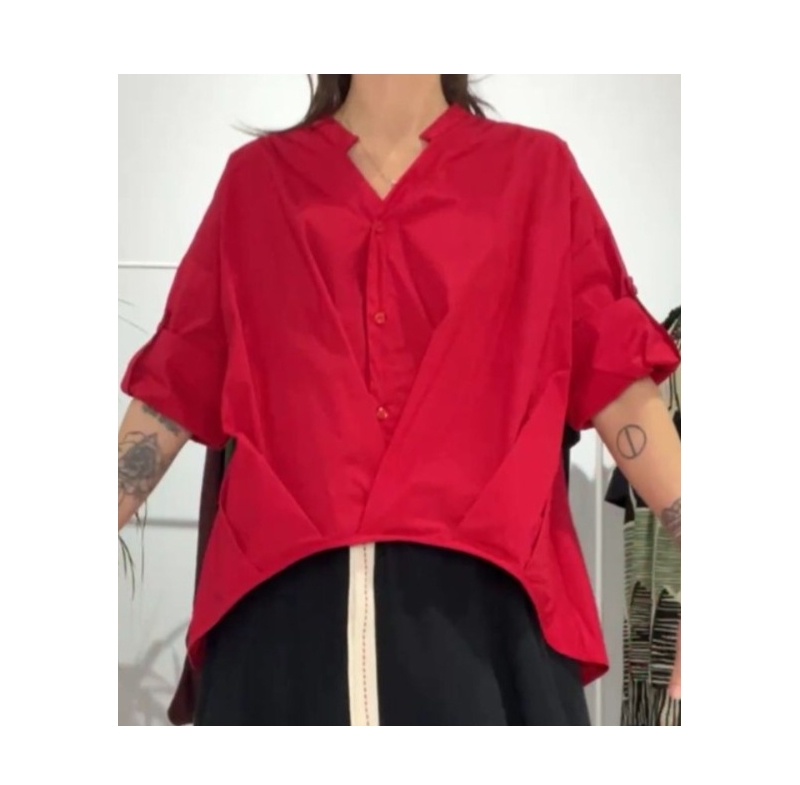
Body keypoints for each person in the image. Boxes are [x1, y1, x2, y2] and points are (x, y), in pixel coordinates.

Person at [118, 74, 681, 726]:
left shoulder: (537, 175)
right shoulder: (255, 184)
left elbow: (615, 379)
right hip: (277, 632)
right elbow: (175, 385)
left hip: (490, 627)